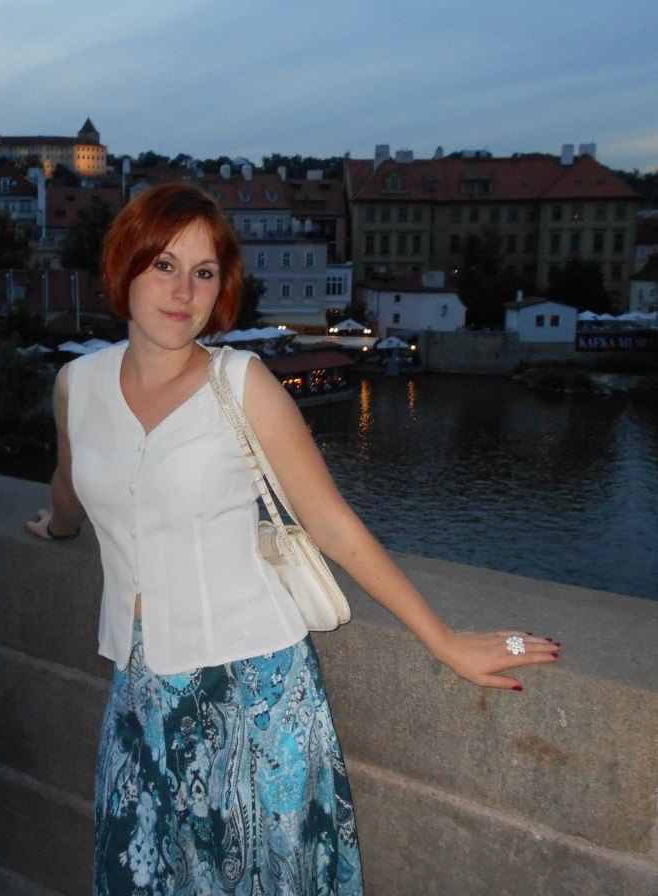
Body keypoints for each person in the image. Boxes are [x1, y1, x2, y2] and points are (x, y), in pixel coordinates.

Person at [27, 183, 560, 895]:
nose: (183, 291)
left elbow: (330, 522)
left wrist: (443, 640)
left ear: (222, 289)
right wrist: (59, 525)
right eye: (164, 265)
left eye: (204, 272)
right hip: (139, 689)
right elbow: (71, 482)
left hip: (255, 690)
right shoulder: (77, 383)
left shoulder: (240, 382)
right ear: (125, 268)